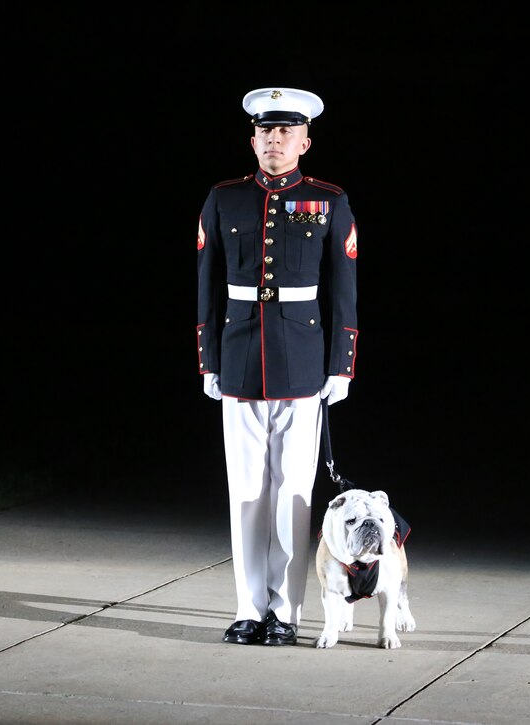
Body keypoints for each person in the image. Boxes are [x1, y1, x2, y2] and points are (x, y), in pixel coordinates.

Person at [195, 87, 359, 646]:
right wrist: (208, 358)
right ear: (253, 138)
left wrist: (341, 365)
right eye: (266, 131)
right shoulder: (224, 199)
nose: (274, 140)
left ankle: (285, 614)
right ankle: (247, 608)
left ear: (304, 142)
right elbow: (206, 287)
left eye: (285, 131)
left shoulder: (328, 200)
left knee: (293, 492)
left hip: (303, 361)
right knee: (245, 491)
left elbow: (344, 289)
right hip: (240, 358)